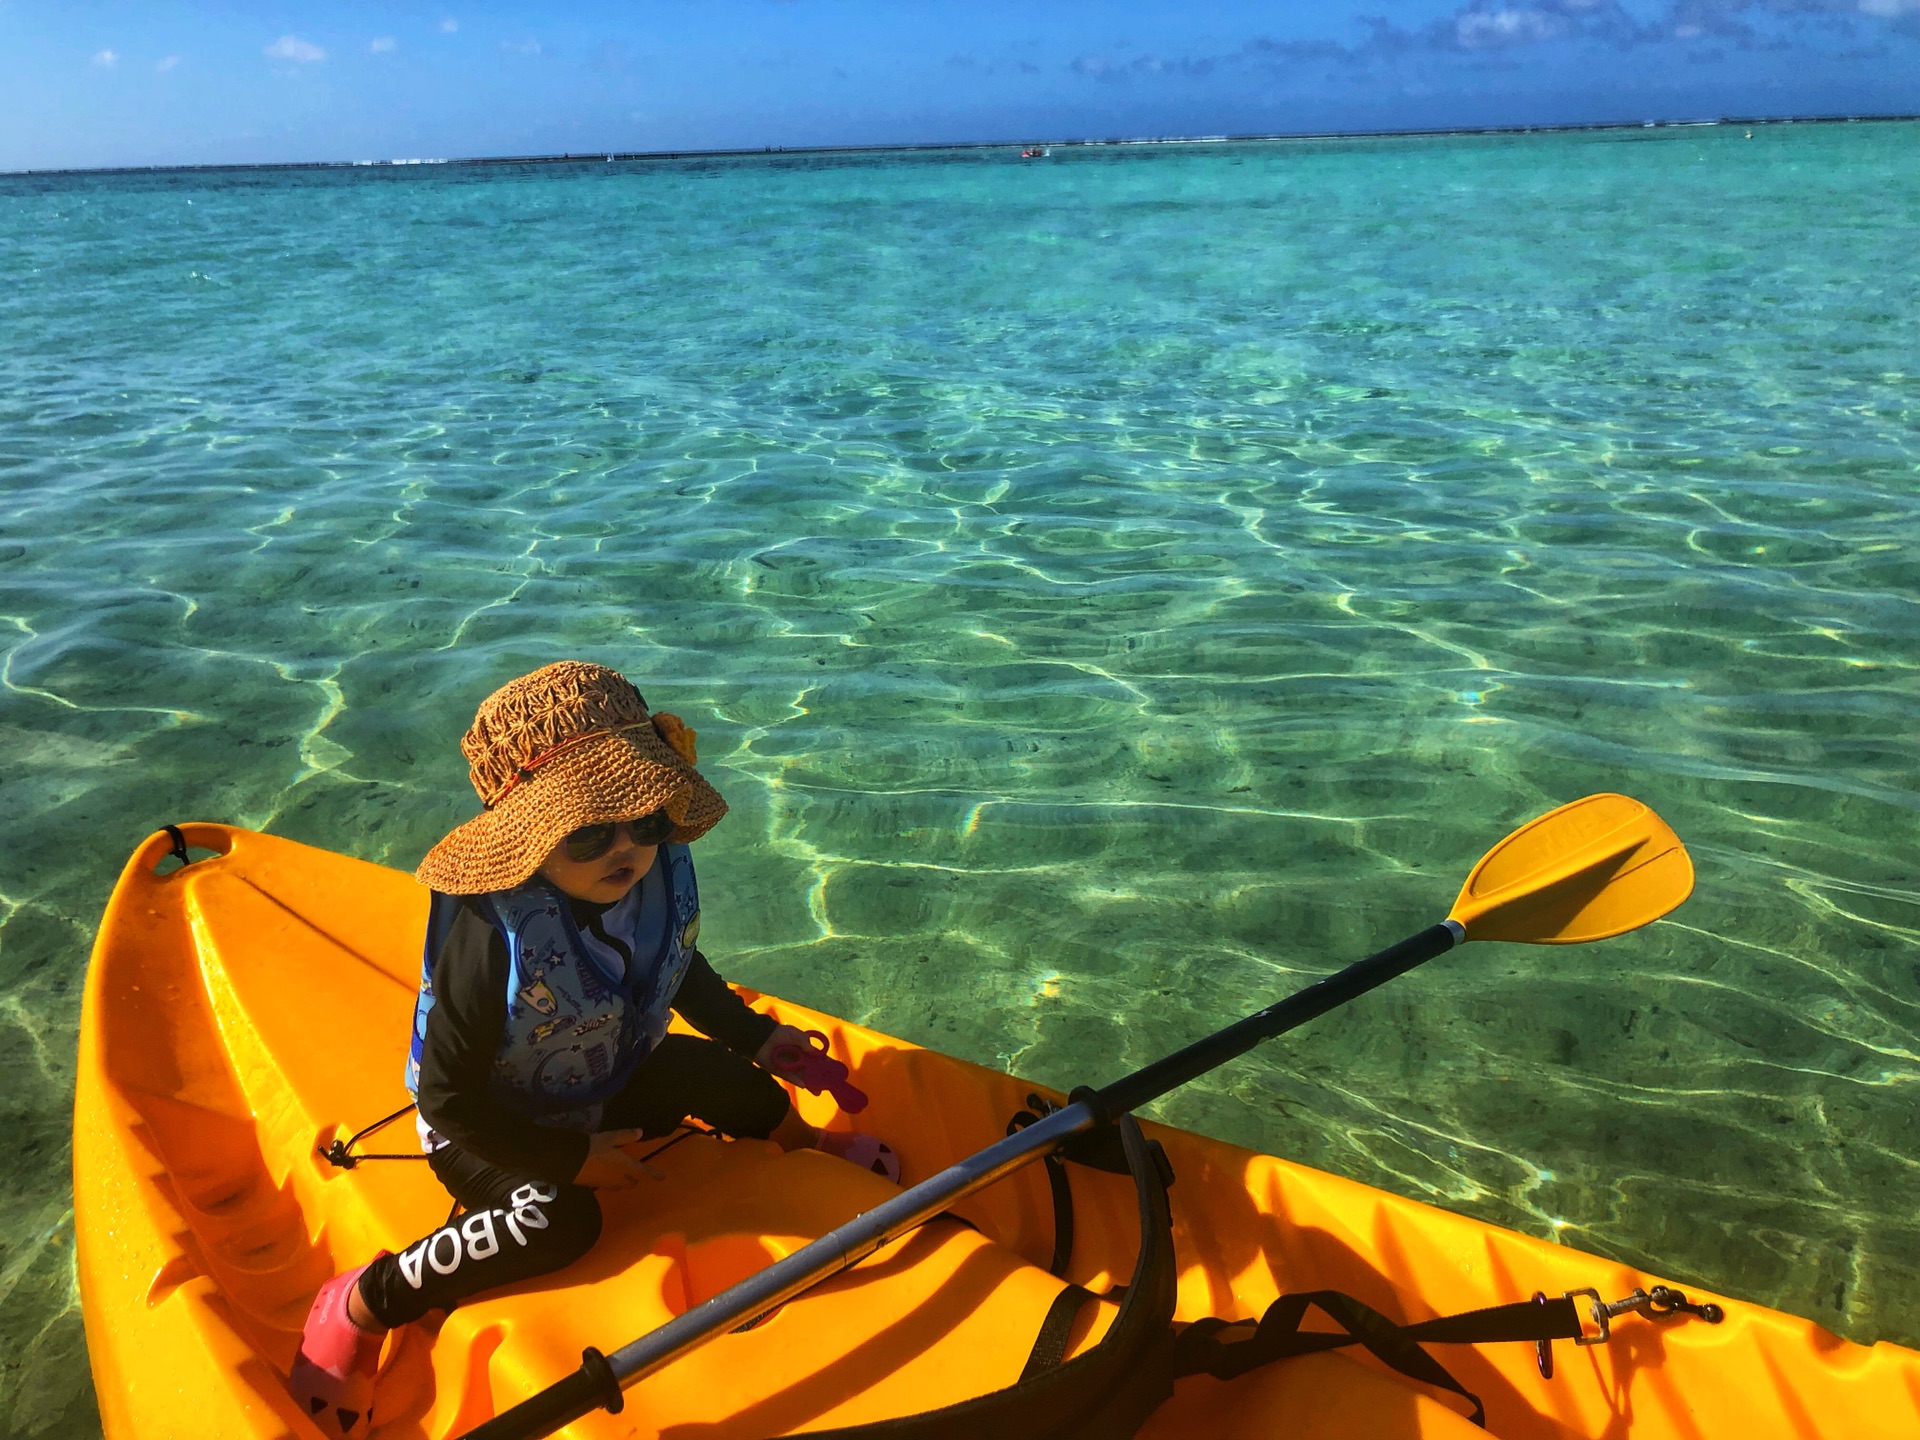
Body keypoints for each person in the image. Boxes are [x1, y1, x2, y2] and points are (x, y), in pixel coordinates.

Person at [288, 661, 898, 1435]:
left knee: (712, 1070)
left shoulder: (648, 874)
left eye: (645, 822)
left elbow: (672, 966)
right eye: (586, 833)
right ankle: (368, 1301)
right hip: (489, 1125)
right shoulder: (487, 934)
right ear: (527, 839)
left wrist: (756, 1038)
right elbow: (447, 1097)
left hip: (602, 1078)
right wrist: (568, 1162)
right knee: (559, 1222)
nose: (627, 849)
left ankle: (808, 1146)